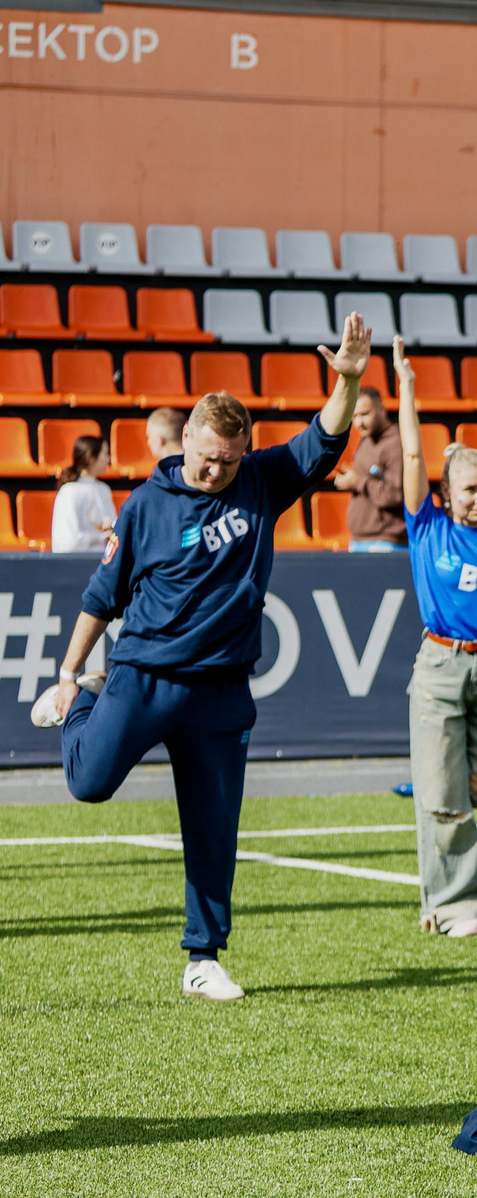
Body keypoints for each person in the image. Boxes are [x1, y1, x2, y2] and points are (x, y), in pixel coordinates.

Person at [30, 316, 372, 1001]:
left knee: (214, 828)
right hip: (143, 675)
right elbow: (102, 595)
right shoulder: (144, 507)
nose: (216, 469)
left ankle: (203, 956)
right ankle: (85, 700)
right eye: (208, 455)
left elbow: (324, 437)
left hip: (220, 689)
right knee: (88, 782)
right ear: (184, 437)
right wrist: (68, 677)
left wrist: (350, 378)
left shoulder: (259, 481)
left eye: (229, 458)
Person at [396, 335, 477, 938]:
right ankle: (457, 906)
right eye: (467, 489)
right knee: (443, 797)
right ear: (446, 494)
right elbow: (412, 460)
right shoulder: (428, 528)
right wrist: (408, 389)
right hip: (440, 668)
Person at [332, 384, 407, 549]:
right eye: (354, 416)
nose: (359, 422)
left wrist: (357, 481)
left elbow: (395, 494)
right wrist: (350, 479)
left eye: (365, 414)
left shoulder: (395, 443)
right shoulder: (366, 439)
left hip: (385, 542)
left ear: (382, 409)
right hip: (360, 540)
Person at [49, 433, 116, 556]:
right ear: (91, 457)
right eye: (105, 454)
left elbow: (112, 528)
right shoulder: (69, 492)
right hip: (76, 564)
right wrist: (100, 536)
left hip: (103, 561)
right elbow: (69, 542)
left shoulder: (104, 489)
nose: (108, 459)